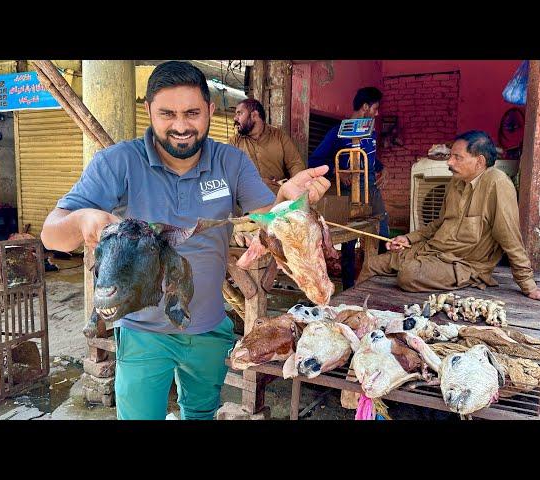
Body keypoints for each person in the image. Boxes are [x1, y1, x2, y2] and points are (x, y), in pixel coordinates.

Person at [40, 61, 330, 420]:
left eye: (192, 112)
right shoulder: (118, 162)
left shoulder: (230, 162)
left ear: (210, 110)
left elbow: (268, 216)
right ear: (148, 111)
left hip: (209, 327)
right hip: (142, 332)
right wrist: (83, 219)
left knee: (201, 413)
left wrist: (289, 197)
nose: (180, 126)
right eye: (167, 114)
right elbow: (50, 232)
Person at [358, 130, 540, 305]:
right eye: (450, 156)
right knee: (372, 264)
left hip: (463, 264)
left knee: (407, 275)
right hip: (431, 252)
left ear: (479, 161)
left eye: (457, 157)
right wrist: (409, 239)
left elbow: (510, 238)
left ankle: (463, 279)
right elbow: (439, 224)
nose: (449, 162)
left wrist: (529, 286)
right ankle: (350, 313)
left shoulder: (497, 183)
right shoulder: (456, 182)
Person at [308, 86, 390, 289]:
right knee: (346, 242)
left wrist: (382, 168)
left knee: (383, 236)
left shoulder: (370, 133)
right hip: (343, 193)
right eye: (375, 108)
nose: (377, 114)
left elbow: (369, 157)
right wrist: (337, 172)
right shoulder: (337, 132)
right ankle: (348, 287)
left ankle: (379, 284)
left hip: (372, 191)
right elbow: (315, 160)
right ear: (365, 107)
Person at [229, 98, 306, 195]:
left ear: (254, 115)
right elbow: (230, 173)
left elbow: (295, 164)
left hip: (279, 197)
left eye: (239, 113)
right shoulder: (234, 142)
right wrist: (257, 182)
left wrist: (295, 187)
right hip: (248, 200)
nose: (235, 118)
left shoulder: (279, 136)